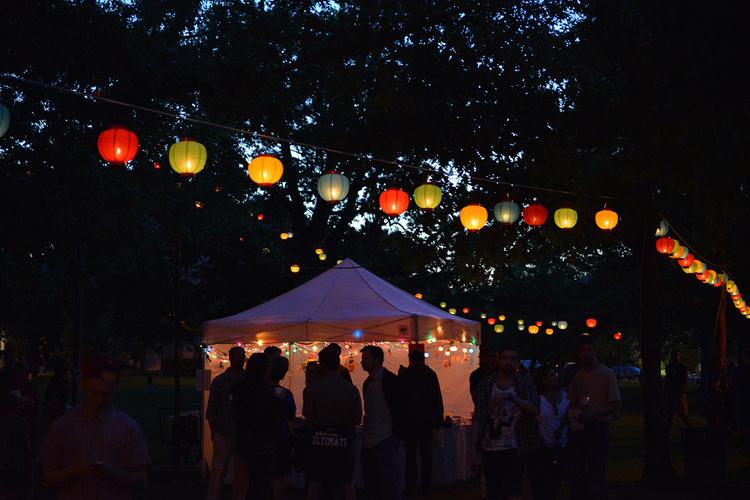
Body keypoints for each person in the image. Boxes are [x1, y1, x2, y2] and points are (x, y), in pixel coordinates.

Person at [38, 357, 148, 500]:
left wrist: (111, 473)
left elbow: (141, 479)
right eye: (95, 393)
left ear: (115, 387)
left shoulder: (129, 428)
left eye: (106, 394)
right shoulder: (62, 427)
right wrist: (76, 471)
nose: (100, 400)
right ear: (84, 386)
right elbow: (47, 479)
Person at [473, 344, 541, 500]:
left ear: (517, 362)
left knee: (513, 490)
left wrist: (513, 398)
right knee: (493, 491)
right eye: (505, 358)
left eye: (513, 358)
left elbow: (535, 409)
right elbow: (479, 417)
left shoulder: (524, 383)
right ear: (499, 360)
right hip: (490, 447)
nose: (508, 362)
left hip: (516, 446)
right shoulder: (487, 385)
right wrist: (473, 448)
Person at [302, 346, 362, 500]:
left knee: (314, 483)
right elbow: (357, 419)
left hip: (318, 442)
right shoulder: (351, 390)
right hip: (343, 441)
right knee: (346, 484)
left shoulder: (312, 390)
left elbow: (308, 417)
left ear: (322, 365)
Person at [567, 335, 622, 500]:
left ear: (595, 350)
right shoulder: (579, 375)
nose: (586, 353)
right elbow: (572, 400)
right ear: (578, 353)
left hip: (599, 428)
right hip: (581, 428)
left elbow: (616, 403)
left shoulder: (607, 374)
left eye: (589, 349)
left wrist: (593, 413)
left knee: (596, 469)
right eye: (582, 350)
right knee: (579, 468)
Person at [232, 352, 284, 500]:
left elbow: (235, 412)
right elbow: (272, 416)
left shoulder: (239, 387)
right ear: (264, 370)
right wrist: (278, 400)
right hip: (262, 442)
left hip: (243, 439)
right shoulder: (266, 392)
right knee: (260, 483)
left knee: (244, 481)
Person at [398, 347, 444, 497]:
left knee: (410, 456)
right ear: (423, 359)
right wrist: (438, 424)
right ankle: (426, 488)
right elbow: (437, 400)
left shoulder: (405, 374)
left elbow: (401, 400)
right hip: (426, 421)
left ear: (410, 359)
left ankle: (410, 487)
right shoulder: (430, 374)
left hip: (409, 422)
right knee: (426, 456)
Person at [361, 345, 403, 500]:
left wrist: (395, 434)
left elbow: (398, 408)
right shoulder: (368, 383)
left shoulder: (390, 381)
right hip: (371, 438)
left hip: (385, 436)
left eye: (365, 358)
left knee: (389, 480)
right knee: (374, 481)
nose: (362, 362)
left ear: (377, 360)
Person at [206, 346, 246, 500]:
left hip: (241, 432)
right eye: (238, 356)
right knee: (218, 469)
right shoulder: (220, 381)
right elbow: (212, 410)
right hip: (224, 431)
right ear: (230, 358)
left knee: (240, 471)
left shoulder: (247, 379)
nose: (241, 359)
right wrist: (214, 433)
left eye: (242, 356)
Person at [529, 363, 570, 500]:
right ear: (543, 380)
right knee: (544, 484)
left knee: (557, 481)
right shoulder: (538, 400)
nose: (555, 377)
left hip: (564, 445)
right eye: (551, 375)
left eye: (555, 374)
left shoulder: (565, 396)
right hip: (544, 447)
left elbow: (569, 416)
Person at [269, 356, 296, 500]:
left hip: (263, 437)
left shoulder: (258, 391)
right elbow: (290, 415)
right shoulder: (285, 394)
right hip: (281, 438)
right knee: (278, 477)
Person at [0, 391, 32, 498]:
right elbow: (27, 446)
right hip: (18, 463)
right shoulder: (22, 422)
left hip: (3, 464)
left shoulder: (2, 422)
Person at [665, 350, 690, 429]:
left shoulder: (682, 367)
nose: (676, 358)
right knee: (670, 414)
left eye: (677, 356)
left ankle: (689, 429)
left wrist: (682, 391)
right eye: (674, 356)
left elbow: (685, 380)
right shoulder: (669, 367)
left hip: (679, 393)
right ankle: (666, 430)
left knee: (683, 414)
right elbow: (668, 380)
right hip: (672, 393)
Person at [730, 348, 750, 443]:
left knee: (741, 416)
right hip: (742, 395)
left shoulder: (738, 369)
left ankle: (741, 436)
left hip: (741, 395)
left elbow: (733, 382)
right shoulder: (739, 369)